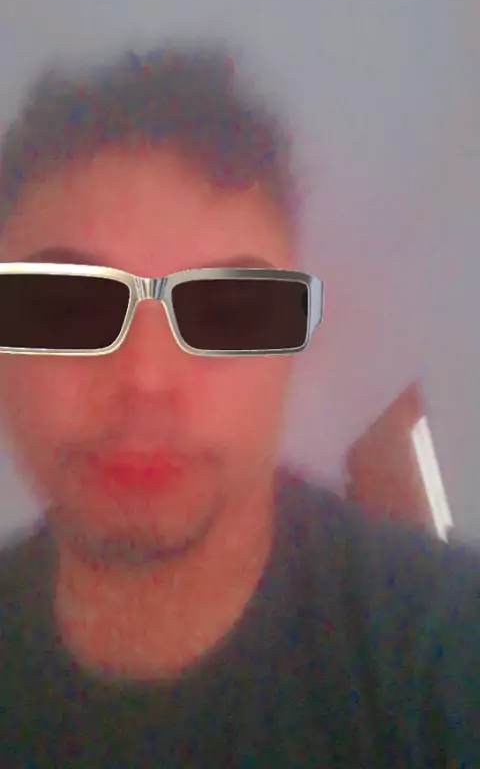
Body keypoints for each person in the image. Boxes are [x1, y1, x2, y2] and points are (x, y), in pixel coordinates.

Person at [0, 41, 478, 769]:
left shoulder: (443, 648)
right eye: (66, 305)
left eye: (229, 310)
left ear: (290, 356)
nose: (147, 378)